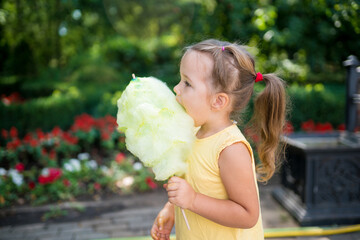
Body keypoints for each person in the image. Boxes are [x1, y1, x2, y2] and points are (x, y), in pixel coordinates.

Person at [150, 39, 287, 240]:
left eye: (187, 83)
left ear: (218, 101)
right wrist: (170, 209)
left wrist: (193, 200)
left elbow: (248, 215)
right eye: (181, 80)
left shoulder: (230, 149)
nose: (176, 88)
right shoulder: (193, 132)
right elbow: (191, 185)